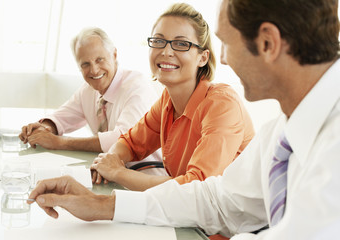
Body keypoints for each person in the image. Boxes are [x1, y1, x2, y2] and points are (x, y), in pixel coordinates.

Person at [29, 0, 340, 239]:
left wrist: (115, 182)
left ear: (268, 43)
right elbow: (217, 199)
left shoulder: (332, 147)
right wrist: (100, 206)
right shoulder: (282, 133)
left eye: (226, 43)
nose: (226, 58)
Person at [89, 3, 254, 191]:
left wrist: (117, 172)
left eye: (181, 44)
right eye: (159, 41)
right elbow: (131, 143)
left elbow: (196, 187)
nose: (166, 51)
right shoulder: (168, 99)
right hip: (191, 212)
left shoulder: (223, 105)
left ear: (203, 58)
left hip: (233, 216)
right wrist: (109, 160)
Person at [19, 27, 164, 173]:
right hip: (113, 174)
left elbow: (121, 139)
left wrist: (59, 142)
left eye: (99, 60)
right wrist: (44, 128)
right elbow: (62, 117)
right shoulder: (89, 89)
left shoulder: (136, 87)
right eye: (85, 64)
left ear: (114, 55)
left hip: (148, 177)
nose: (94, 70)